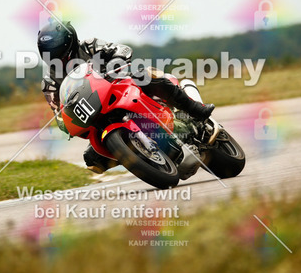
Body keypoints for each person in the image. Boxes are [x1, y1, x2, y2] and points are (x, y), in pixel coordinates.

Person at [37, 20, 214, 173]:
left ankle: (195, 109)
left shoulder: (89, 46)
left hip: (118, 88)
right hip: (95, 115)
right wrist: (67, 123)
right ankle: (141, 158)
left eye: (58, 53)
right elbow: (59, 115)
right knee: (92, 159)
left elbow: (121, 49)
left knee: (146, 76)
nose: (56, 58)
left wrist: (116, 59)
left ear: (70, 43)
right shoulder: (49, 82)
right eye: (49, 55)